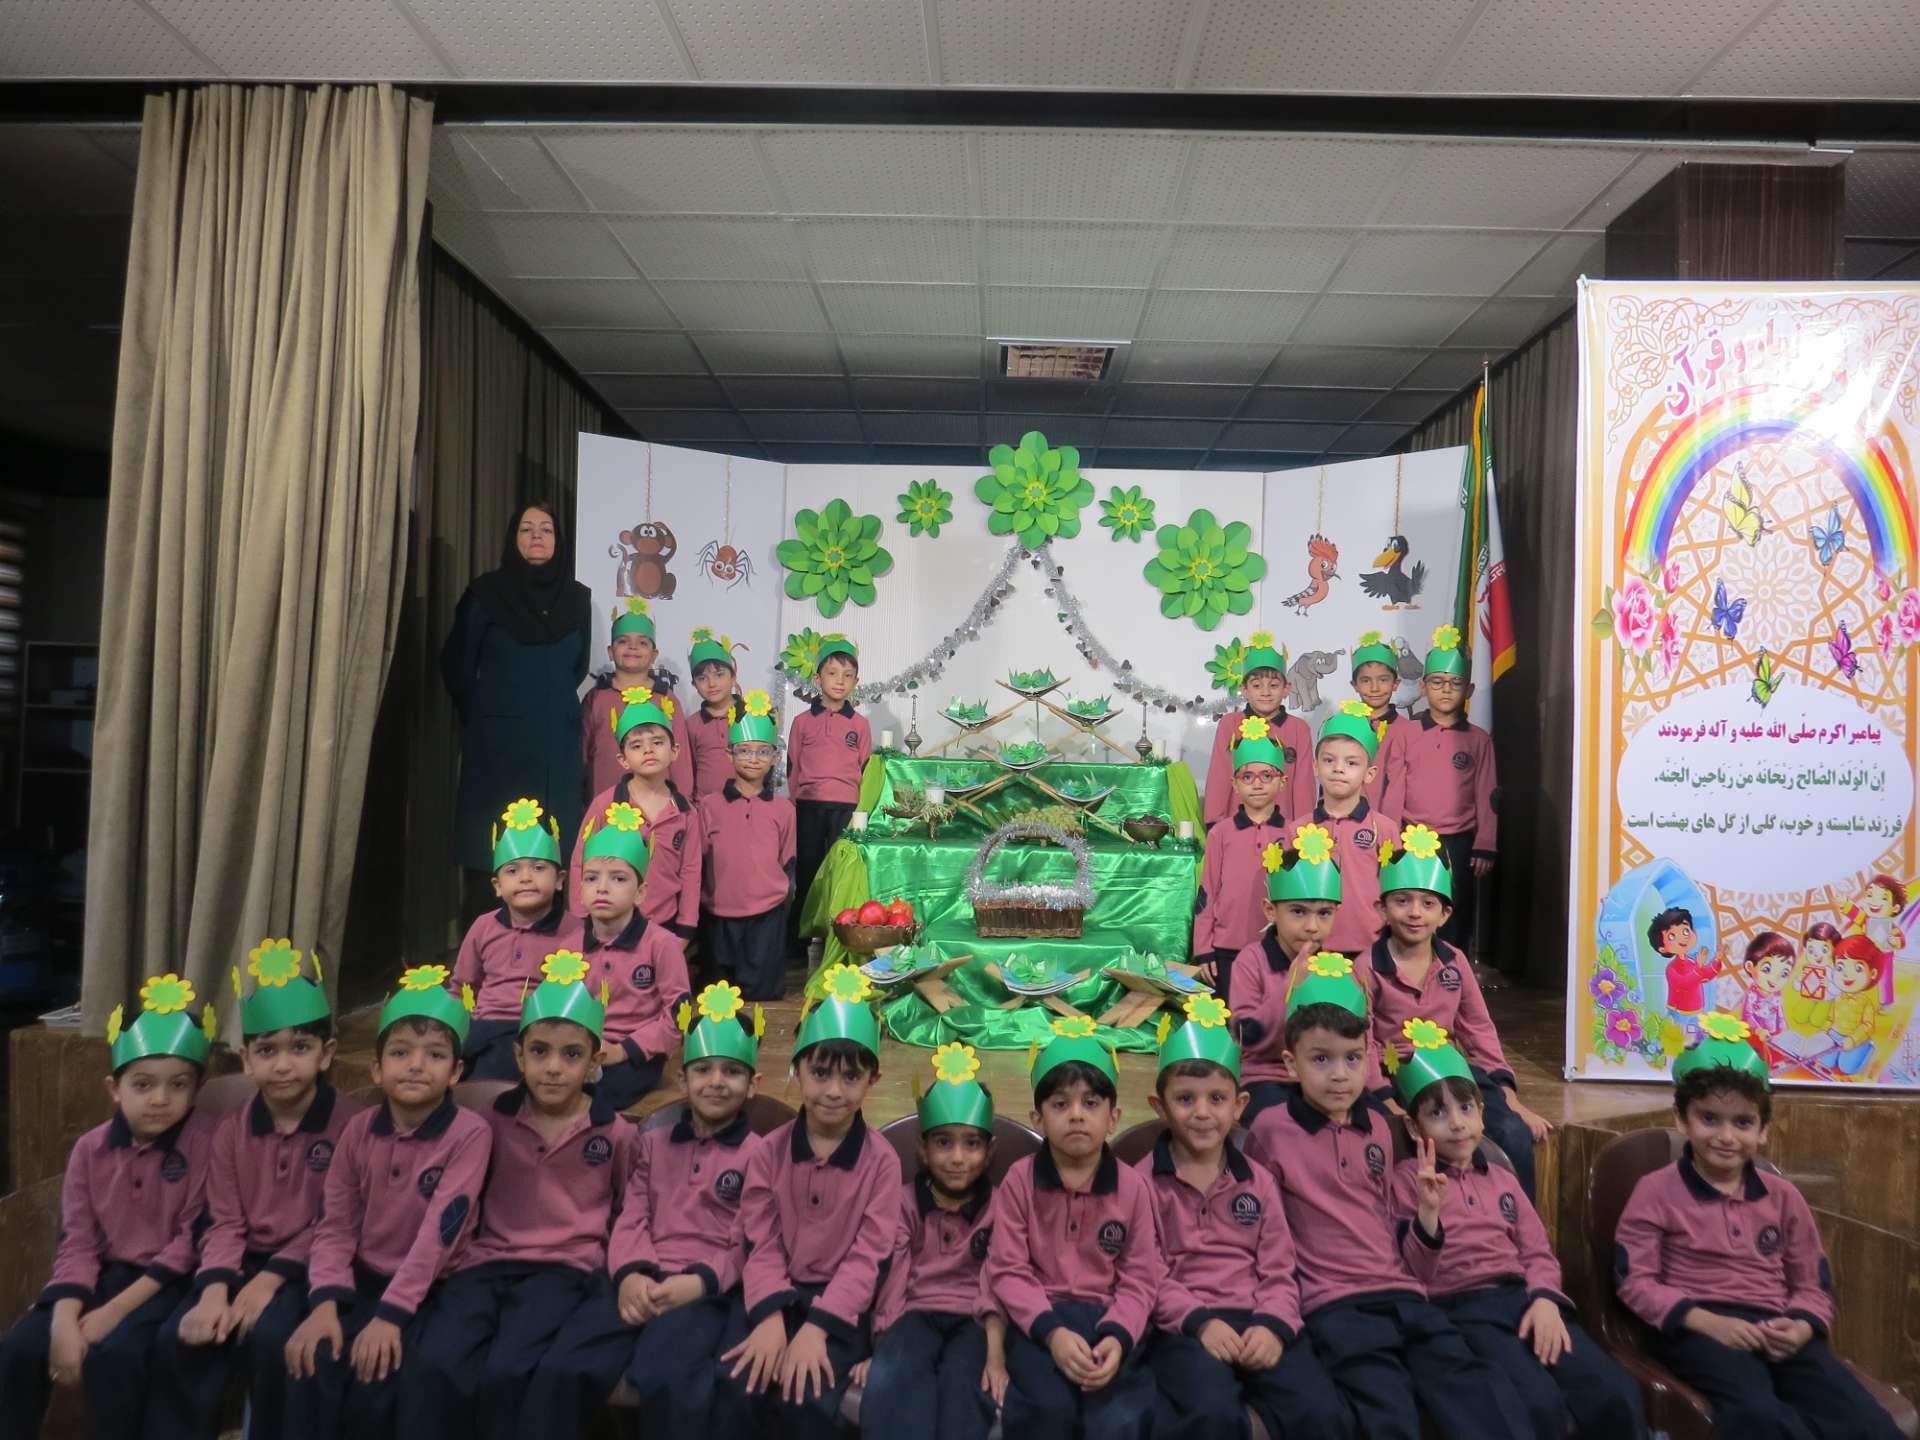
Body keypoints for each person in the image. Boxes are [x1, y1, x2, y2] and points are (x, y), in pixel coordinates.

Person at [1245, 957, 1532, 1440]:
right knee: (1388, 1409)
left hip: (1405, 1294)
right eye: (1321, 1059)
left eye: (1352, 1058)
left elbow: (1403, 1247)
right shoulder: (1270, 1132)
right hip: (1337, 1306)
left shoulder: (1379, 1126)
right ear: (1292, 1064)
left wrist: (1427, 1220)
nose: (1340, 1075)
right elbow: (1266, 1234)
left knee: (1478, 1389)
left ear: (1370, 1058)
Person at [1614, 1018, 1902, 1439]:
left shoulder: (1783, 1197)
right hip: (1699, 1331)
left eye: (1743, 1122)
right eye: (1709, 1118)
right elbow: (1634, 1281)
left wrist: (1801, 1326)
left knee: (1861, 1418)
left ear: (1764, 1129)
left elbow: (1813, 1284)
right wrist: (1707, 1322)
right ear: (1682, 1119)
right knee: (1758, 1416)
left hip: (1778, 1329)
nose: (1726, 1136)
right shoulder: (1654, 1191)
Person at [401, 957, 635, 1438]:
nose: (553, 1067)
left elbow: (628, 1209)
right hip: (483, 1266)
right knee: (435, 1360)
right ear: (519, 1055)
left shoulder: (616, 1132)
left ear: (594, 1063)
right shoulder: (486, 1120)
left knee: (507, 1371)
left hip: (563, 1271)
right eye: (540, 1051)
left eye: (572, 1055)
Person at [1387, 1019, 1645, 1439]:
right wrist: (1428, 1214)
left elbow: (1537, 1252)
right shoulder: (1405, 1182)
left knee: (1613, 1391)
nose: (1457, 1123)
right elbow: (1414, 1273)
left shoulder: (1503, 1179)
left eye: (1465, 1108)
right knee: (1537, 1403)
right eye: (1437, 1113)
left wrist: (1545, 1300)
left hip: (1522, 1298)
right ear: (1414, 1127)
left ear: (1482, 1113)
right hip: (1464, 1311)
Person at [527, 983, 766, 1434]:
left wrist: (699, 1283)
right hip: (638, 1278)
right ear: (683, 1079)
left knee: (667, 1376)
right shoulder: (652, 1143)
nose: (716, 1082)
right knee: (564, 1365)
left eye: (732, 1071)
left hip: (704, 1291)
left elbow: (749, 1240)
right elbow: (631, 1214)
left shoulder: (760, 1155)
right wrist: (630, 1274)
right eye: (703, 1069)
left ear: (753, 1084)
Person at [147, 943, 361, 1440]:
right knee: (179, 1338)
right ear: (246, 1060)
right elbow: (224, 1220)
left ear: (326, 1054)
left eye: (300, 1048)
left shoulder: (353, 1127)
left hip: (313, 1267)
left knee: (273, 1340)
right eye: (267, 1051)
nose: (283, 1065)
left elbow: (336, 1222)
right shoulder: (230, 1131)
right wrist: (214, 1291)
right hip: (239, 1261)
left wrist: (270, 1280)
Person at [0, 975, 217, 1439]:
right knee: (19, 1349)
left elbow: (189, 1245)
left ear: (197, 1088)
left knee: (115, 1357)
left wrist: (110, 1314)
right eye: (143, 1084)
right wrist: (64, 1319)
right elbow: (77, 1242)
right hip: (98, 1278)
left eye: (178, 1084)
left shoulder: (208, 1143)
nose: (160, 1099)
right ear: (114, 1088)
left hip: (166, 1285)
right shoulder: (89, 1150)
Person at [282, 967, 491, 1440]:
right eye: (400, 1053)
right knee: (314, 1357)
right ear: (376, 1068)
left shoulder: (470, 1134)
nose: (416, 1065)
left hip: (438, 1284)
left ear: (456, 1073)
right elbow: (335, 1224)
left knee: (396, 1372)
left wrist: (390, 1315)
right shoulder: (358, 1130)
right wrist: (325, 1301)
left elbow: (440, 1235)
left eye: (435, 1055)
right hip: (366, 1275)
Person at [1141, 997, 1351, 1440]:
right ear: (1160, 1107)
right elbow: (1146, 1273)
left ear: (1239, 1106)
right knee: (1212, 1414)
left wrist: (1272, 1325)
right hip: (1184, 1328)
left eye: (1217, 1099)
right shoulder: (1140, 1183)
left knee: (1321, 1411)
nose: (1202, 1112)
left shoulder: (1258, 1180)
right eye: (1185, 1099)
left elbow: (1280, 1269)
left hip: (1259, 1317)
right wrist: (1199, 1322)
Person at [714, 968, 898, 1439]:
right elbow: (761, 1241)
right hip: (773, 1293)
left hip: (839, 1308)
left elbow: (869, 1257)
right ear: (796, 1070)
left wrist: (818, 1327)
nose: (834, 1091)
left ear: (873, 1079)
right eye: (820, 1073)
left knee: (807, 1397)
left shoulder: (882, 1162)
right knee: (737, 1384)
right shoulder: (768, 1152)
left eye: (851, 1077)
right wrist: (771, 1316)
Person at [982, 1018, 1162, 1440]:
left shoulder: (1133, 1187)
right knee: (1046, 1412)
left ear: (1114, 1118)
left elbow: (1141, 1277)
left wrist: (1118, 1335)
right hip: (1040, 1321)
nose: (1077, 1115)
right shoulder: (1020, 1180)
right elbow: (1007, 1269)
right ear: (1038, 1118)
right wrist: (1052, 1334)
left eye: (1091, 1103)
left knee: (1118, 1421)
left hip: (1108, 1321)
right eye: (1060, 1104)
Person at [1367, 823, 1551, 1200]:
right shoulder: (1365, 967)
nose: (1415, 913)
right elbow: (1363, 1041)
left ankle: (1520, 1226)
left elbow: (1478, 1029)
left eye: (1428, 904)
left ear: (1445, 914)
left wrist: (1510, 1099)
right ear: (1382, 908)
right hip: (1394, 1077)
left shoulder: (1455, 962)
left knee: (1513, 1133)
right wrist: (1385, 1100)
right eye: (1402, 901)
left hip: (1452, 1072)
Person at [856, 1043, 1007, 1440]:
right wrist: (882, 1348)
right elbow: (893, 1276)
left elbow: (999, 1279)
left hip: (973, 1322)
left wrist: (996, 1353)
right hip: (913, 1316)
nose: (957, 1158)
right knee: (891, 1386)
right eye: (943, 1143)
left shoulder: (1001, 1207)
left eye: (971, 1144)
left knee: (965, 1391)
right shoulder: (904, 1203)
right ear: (922, 1149)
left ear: (989, 1150)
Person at [442, 501, 593, 882]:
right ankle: (489, 921)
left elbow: (578, 666)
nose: (537, 536)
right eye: (527, 529)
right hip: (497, 745)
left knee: (552, 847)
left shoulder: (577, 598)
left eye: (546, 529)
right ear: (513, 539)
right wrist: (487, 714)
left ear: (558, 540)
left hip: (556, 743)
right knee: (495, 848)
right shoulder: (485, 594)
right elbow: (457, 663)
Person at [1229, 832, 1372, 1125]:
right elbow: (1246, 1037)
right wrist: (1290, 987)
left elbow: (1361, 1037)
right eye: (1298, 912)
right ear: (1271, 910)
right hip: (1269, 1078)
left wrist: (1377, 1090)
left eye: (1324, 913)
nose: (1312, 926)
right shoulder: (1251, 961)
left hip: (1328, 1078)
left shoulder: (1339, 969)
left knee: (1373, 1120)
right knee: (1282, 1124)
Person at [1378, 626, 1496, 955]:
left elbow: (1487, 793)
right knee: (1408, 911)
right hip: (1410, 839)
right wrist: (1390, 839)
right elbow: (1393, 788)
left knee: (1453, 914)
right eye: (1438, 682)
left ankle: (1449, 975)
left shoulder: (1478, 740)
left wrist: (1485, 845)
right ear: (1423, 686)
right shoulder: (1404, 733)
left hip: (1458, 843)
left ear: (1468, 689)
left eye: (1455, 683)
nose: (1446, 689)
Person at [454, 798, 584, 1081]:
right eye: (513, 871)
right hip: (481, 1024)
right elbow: (462, 986)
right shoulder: (483, 927)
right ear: (497, 886)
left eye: (538, 868)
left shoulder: (576, 931)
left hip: (533, 1028)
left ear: (560, 880)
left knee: (494, 1073)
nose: (526, 878)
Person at [576, 801, 693, 1110]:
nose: (602, 888)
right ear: (579, 889)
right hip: (579, 1050)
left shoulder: (662, 944)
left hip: (635, 1054)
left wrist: (622, 1050)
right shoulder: (569, 944)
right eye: (591, 878)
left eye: (618, 878)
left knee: (599, 1099)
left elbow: (678, 1014)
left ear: (640, 892)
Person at [569, 689, 702, 950]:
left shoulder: (686, 812)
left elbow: (691, 872)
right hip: (609, 924)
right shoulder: (604, 806)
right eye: (637, 746)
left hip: (665, 924)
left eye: (657, 742)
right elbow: (579, 862)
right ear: (623, 760)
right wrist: (581, 918)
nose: (648, 750)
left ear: (674, 751)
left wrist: (686, 927)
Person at [698, 689, 797, 1000]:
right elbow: (699, 862)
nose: (753, 759)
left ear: (774, 757)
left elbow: (787, 860)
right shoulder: (709, 806)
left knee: (762, 998)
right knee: (717, 999)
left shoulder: (784, 809)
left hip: (767, 918)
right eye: (744, 751)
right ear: (729, 754)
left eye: (762, 751)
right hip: (718, 915)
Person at [1286, 702, 1399, 957]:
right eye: (1329, 760)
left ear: (1369, 773)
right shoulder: (1297, 830)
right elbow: (1288, 897)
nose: (1338, 768)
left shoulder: (1384, 829)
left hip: (1371, 950)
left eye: (1351, 763)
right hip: (1311, 949)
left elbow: (1396, 894)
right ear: (1316, 766)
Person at [1191, 715, 1290, 1003]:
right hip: (1227, 948)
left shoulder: (1294, 833)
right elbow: (1207, 893)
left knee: (1272, 1016)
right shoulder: (1220, 833)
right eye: (1247, 777)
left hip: (1278, 947)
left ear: (1282, 782)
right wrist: (1204, 948)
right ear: (1235, 784)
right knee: (1232, 1018)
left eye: (1266, 776)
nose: (1257, 784)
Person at [786, 637, 872, 958]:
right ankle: (797, 942)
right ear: (817, 678)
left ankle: (836, 942)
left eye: (847, 675)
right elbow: (793, 765)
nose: (839, 681)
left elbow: (864, 766)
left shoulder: (860, 725)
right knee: (807, 872)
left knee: (839, 874)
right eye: (832, 673)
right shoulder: (802, 723)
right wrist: (798, 800)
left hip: (845, 808)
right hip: (809, 806)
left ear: (855, 682)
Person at [581, 597, 694, 798]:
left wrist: (682, 803)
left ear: (654, 654)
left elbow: (681, 761)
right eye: (623, 641)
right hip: (606, 806)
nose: (632, 647)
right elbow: (580, 754)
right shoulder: (596, 698)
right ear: (610, 652)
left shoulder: (666, 700)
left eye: (642, 642)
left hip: (658, 807)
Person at [1203, 632, 1314, 828]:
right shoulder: (1229, 724)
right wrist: (1214, 824)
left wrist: (1303, 828)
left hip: (1283, 828)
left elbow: (1303, 784)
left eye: (1274, 685)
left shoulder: (1299, 729)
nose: (1265, 692)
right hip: (1237, 827)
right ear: (1244, 689)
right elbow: (1219, 777)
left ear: (1286, 689)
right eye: (1256, 685)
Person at [684, 627, 748, 801]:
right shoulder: (692, 724)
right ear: (694, 684)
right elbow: (689, 769)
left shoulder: (751, 717)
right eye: (702, 678)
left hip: (746, 807)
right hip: (705, 808)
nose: (711, 683)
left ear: (733, 677)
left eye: (719, 675)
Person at [1649, 907, 1721, 1041]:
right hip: (1679, 1012)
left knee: (1694, 1037)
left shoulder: (1692, 962)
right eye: (1672, 936)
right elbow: (1684, 983)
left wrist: (1717, 960)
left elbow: (1705, 976)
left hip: (1697, 1010)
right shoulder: (1671, 968)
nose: (1683, 937)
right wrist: (1699, 967)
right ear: (1663, 948)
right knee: (1677, 1038)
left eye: (1686, 930)